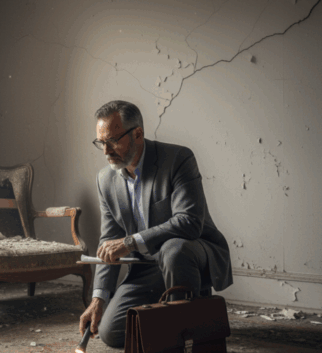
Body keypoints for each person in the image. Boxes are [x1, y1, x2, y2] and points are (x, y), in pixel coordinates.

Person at [79, 100, 232, 348]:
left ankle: (181, 324)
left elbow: (189, 222)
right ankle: (187, 313)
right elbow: (109, 243)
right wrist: (98, 300)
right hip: (146, 269)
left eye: (113, 140)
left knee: (174, 249)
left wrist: (130, 242)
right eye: (101, 142)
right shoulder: (105, 180)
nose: (106, 151)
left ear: (137, 133)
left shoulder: (178, 158)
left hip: (190, 256)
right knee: (112, 332)